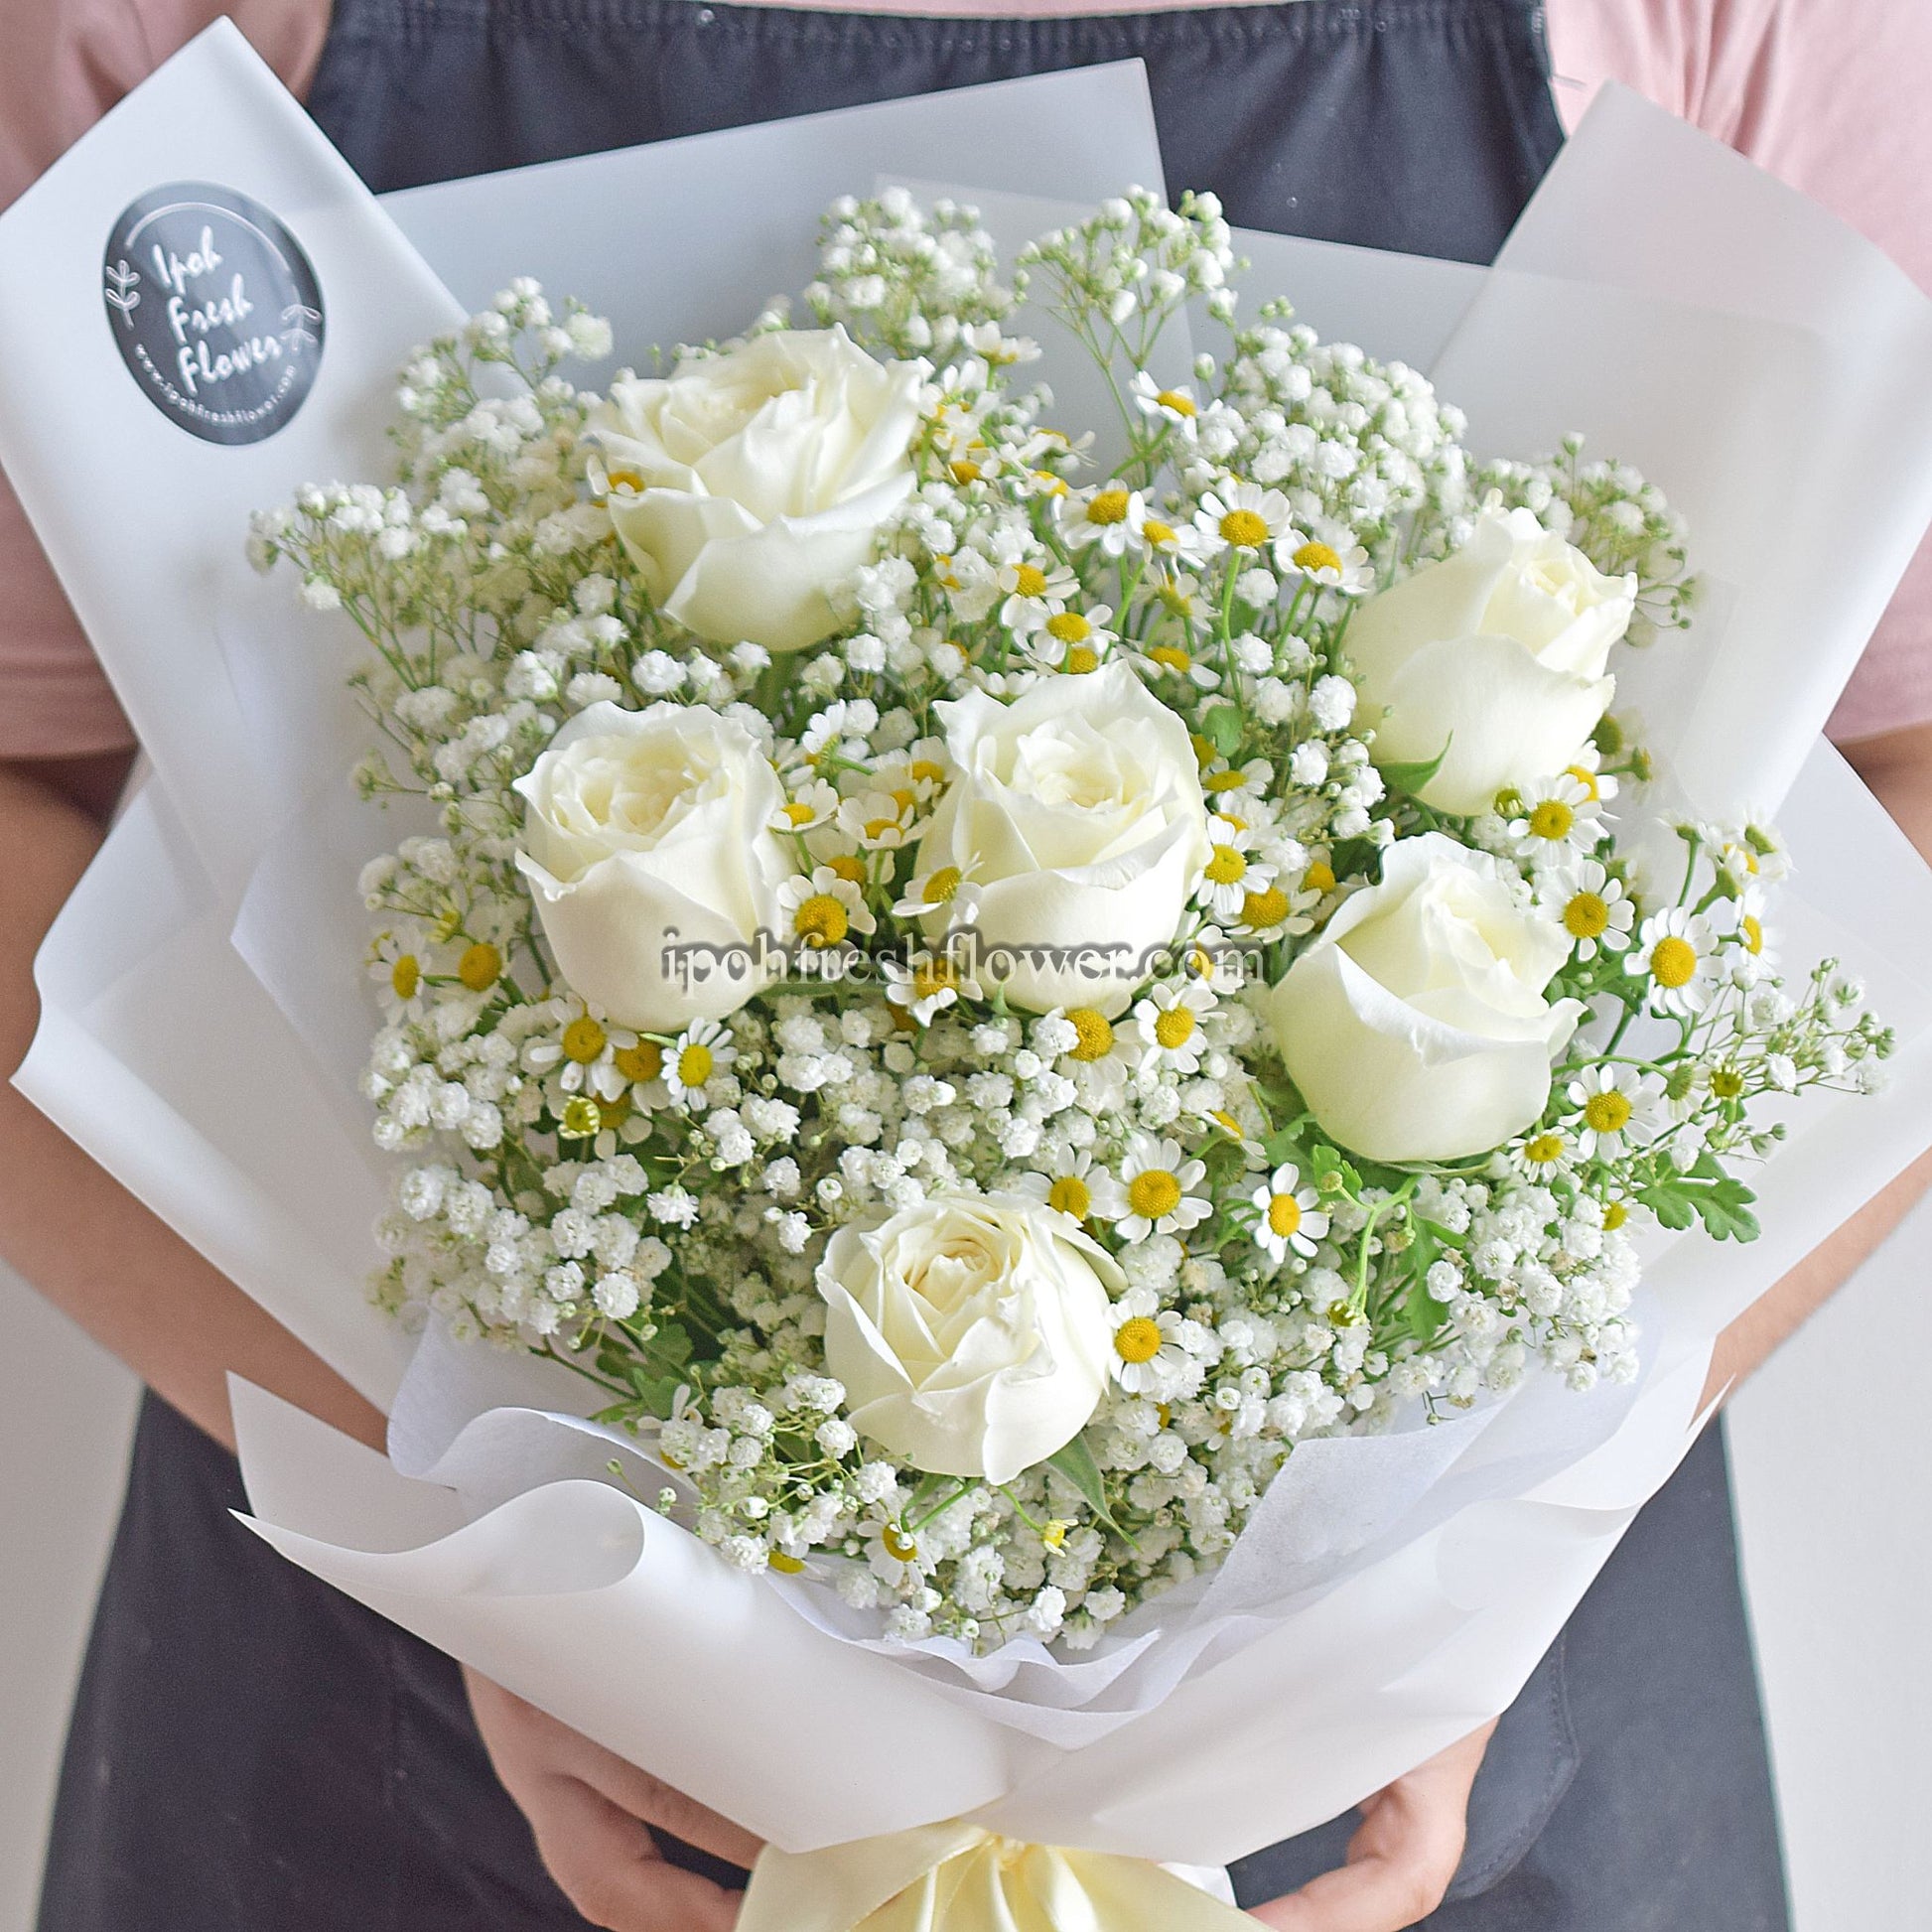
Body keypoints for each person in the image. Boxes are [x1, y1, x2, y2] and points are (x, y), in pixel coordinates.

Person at [3, 2, 1929, 1927]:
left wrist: (1468, 1592)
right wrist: (511, 1559)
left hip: (1462, 1758)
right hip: (433, 1750)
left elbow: (1903, 765)